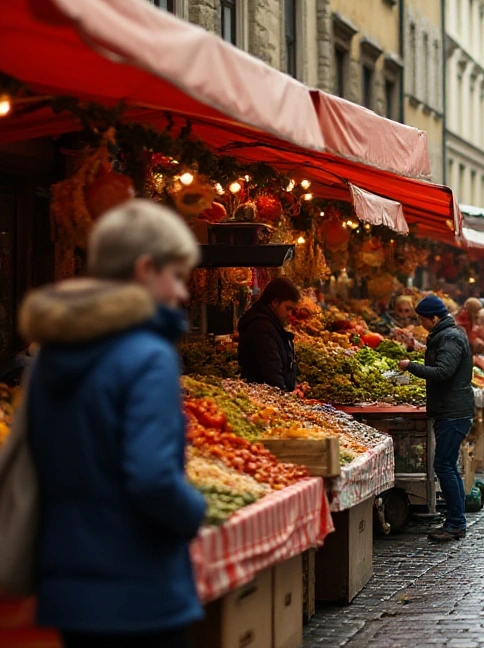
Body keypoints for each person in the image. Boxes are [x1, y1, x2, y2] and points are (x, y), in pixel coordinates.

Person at [22, 200, 207, 647]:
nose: (184, 295)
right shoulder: (148, 356)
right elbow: (152, 478)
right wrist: (195, 512)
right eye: (178, 276)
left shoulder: (50, 354)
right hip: (137, 585)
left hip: (69, 582)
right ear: (145, 269)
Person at [396, 296, 475, 541]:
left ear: (434, 317)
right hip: (450, 409)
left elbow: (443, 371)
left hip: (453, 411)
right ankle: (454, 521)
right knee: (447, 466)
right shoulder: (446, 335)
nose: (421, 324)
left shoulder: (449, 336)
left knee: (444, 466)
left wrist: (411, 366)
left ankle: (455, 524)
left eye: (422, 319)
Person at [237, 277, 300, 392]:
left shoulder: (271, 324)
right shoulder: (261, 328)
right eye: (288, 308)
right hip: (264, 398)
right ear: (275, 302)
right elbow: (271, 370)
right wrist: (283, 395)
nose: (290, 314)